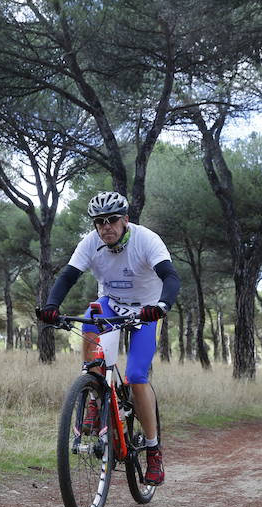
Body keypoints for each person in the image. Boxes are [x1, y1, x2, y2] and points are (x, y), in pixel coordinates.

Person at [39, 191, 180, 486]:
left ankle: (153, 450)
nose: (106, 227)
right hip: (110, 305)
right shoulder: (91, 243)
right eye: (99, 222)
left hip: (145, 311)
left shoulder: (146, 240)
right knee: (90, 325)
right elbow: (68, 276)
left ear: (125, 220)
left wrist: (162, 306)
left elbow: (170, 277)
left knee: (136, 376)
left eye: (112, 220)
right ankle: (94, 394)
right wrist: (52, 307)